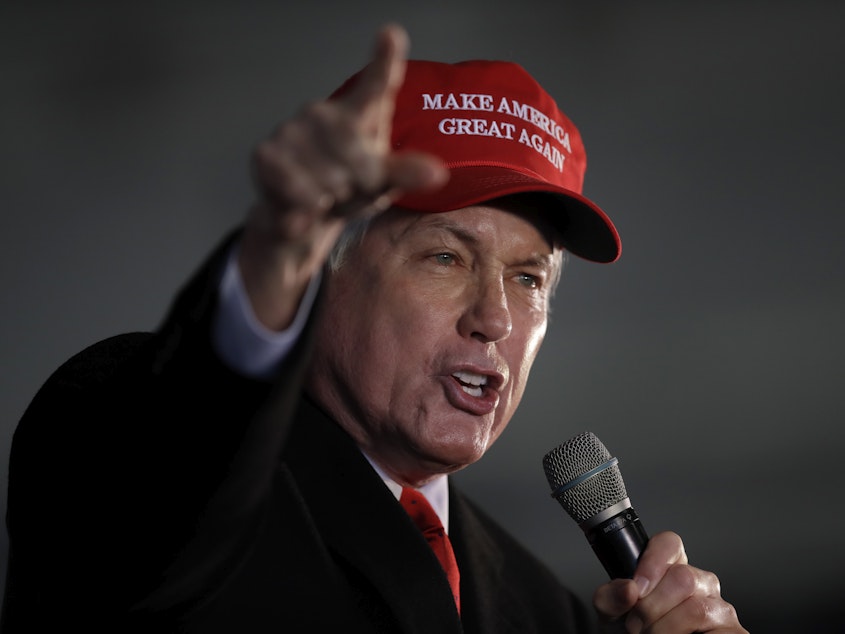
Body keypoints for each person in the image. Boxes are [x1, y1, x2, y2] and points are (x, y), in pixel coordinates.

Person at [1, 24, 747, 634]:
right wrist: (272, 259)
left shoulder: (541, 609)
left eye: (528, 279)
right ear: (328, 266)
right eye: (445, 257)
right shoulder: (129, 432)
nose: (493, 317)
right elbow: (174, 482)